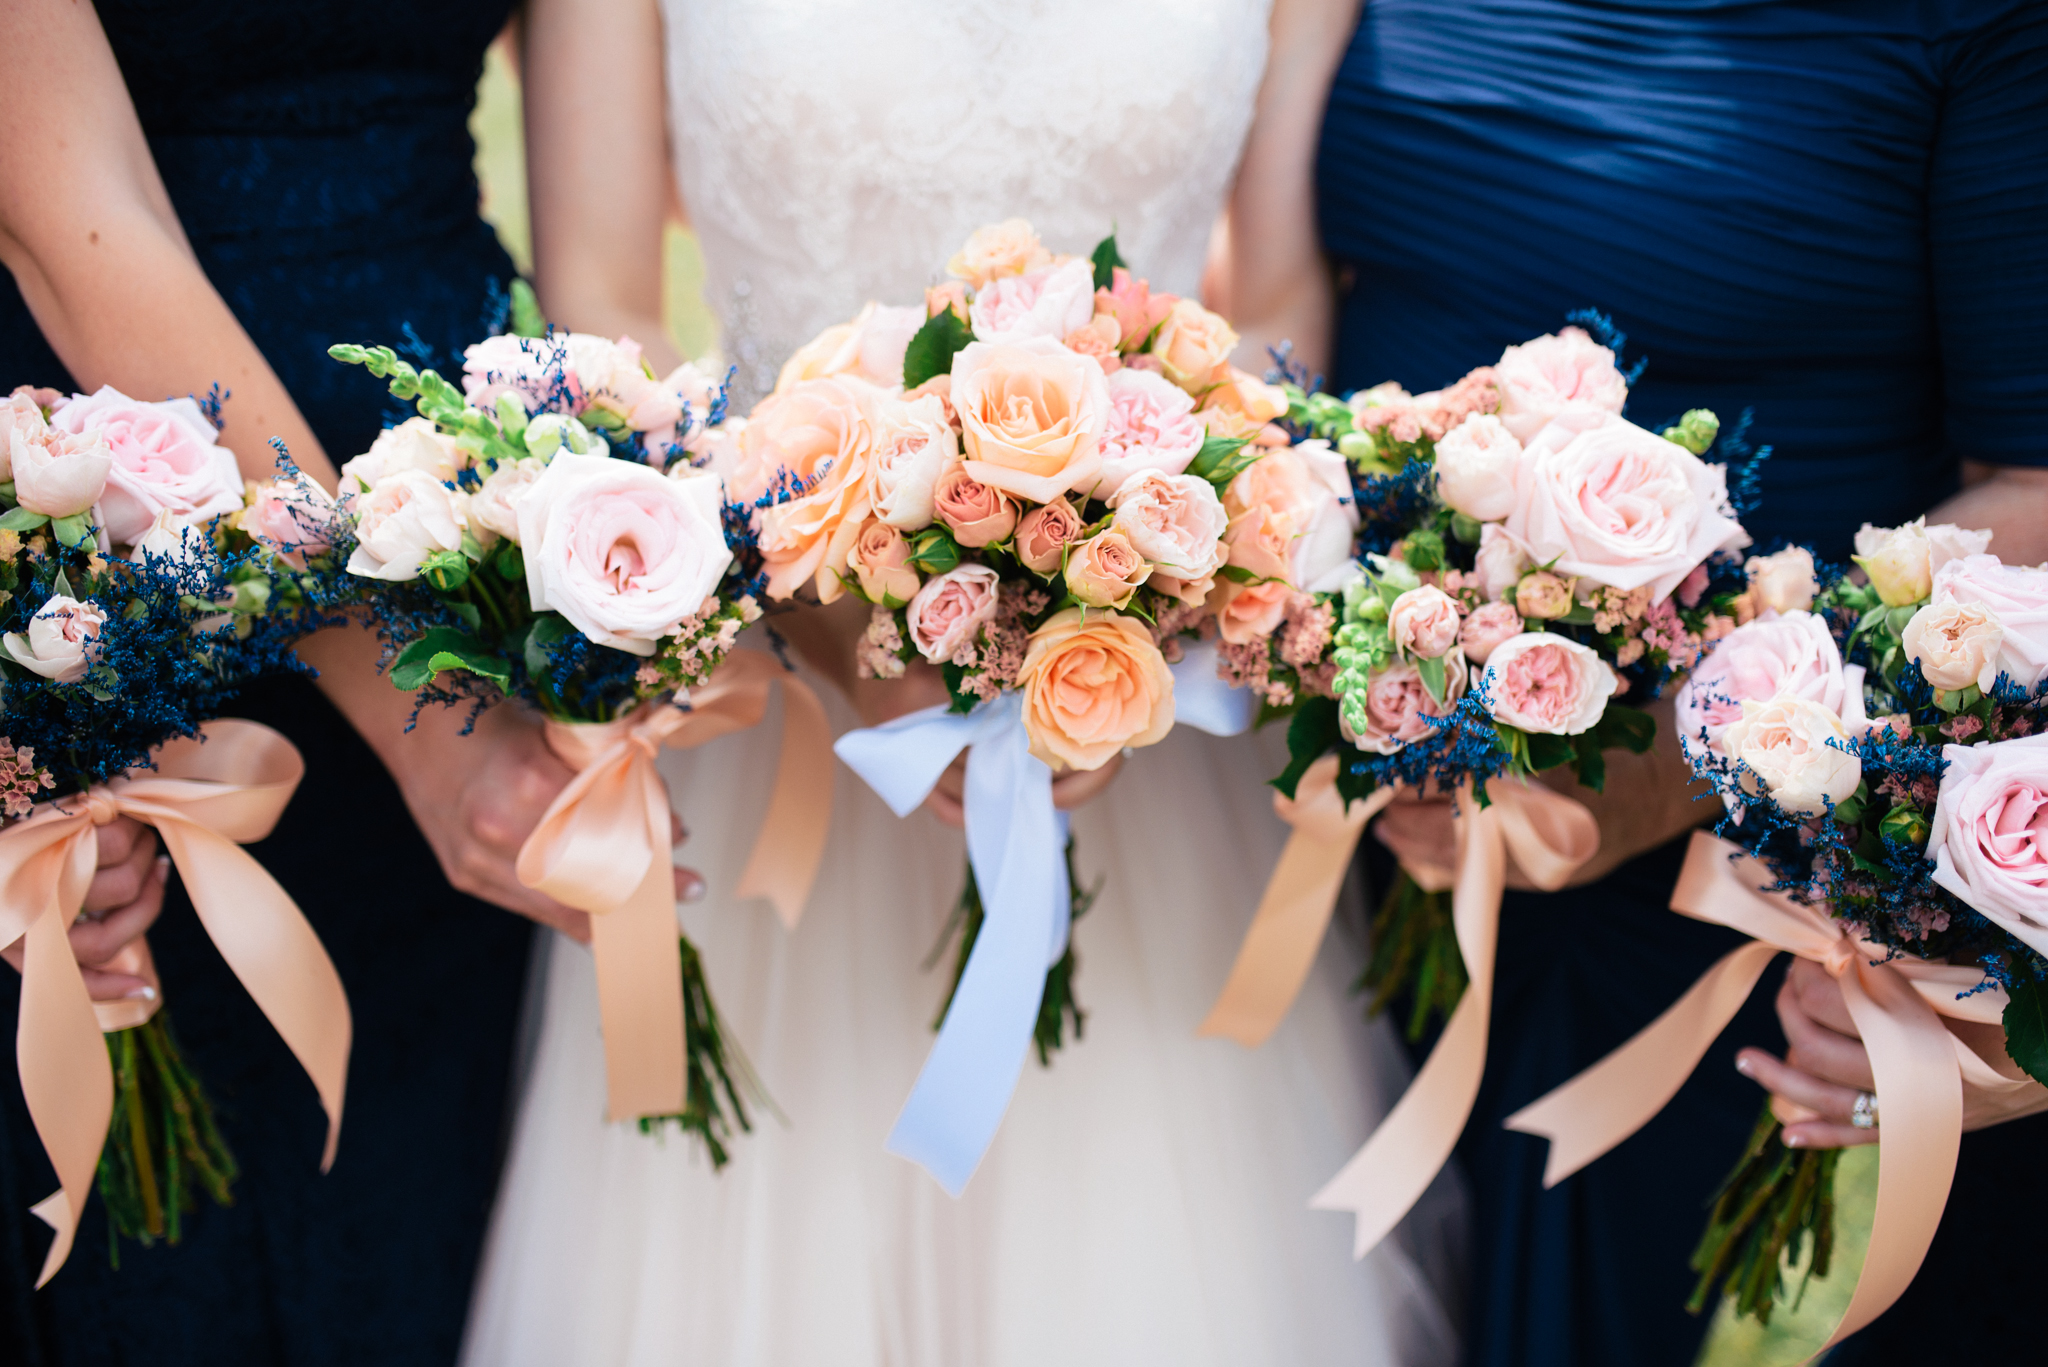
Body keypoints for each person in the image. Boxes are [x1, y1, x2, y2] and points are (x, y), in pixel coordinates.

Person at [458, 1, 1465, 1364]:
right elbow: (606, 309)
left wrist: (1143, 607)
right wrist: (846, 629)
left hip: (1141, 704)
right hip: (775, 684)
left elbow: (1276, 303)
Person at [1228, 2, 2048, 1362]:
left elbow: (2032, 490)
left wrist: (1668, 761)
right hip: (1368, 767)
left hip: (1722, 834)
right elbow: (1280, 302)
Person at [0, 3, 695, 1360]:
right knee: (146, 1255)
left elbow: (610, 284)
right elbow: (75, 217)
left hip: (469, 542)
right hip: (113, 521)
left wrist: (649, 584)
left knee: (422, 1221)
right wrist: (425, 722)